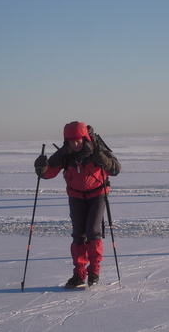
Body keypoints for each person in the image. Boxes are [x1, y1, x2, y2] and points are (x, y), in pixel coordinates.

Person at [34, 121, 121, 289]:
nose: (74, 144)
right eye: (71, 141)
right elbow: (49, 172)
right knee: (79, 234)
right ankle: (79, 273)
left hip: (98, 193)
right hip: (75, 195)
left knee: (93, 231)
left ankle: (94, 270)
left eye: (78, 141)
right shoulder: (64, 153)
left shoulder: (97, 148)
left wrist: (104, 161)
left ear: (84, 138)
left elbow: (116, 169)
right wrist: (41, 168)